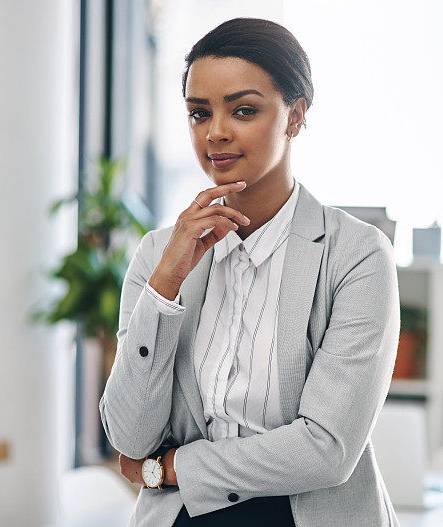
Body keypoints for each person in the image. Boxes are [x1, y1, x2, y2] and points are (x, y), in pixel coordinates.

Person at [99, 16, 401, 527]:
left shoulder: (356, 255)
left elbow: (326, 449)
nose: (216, 133)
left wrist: (172, 468)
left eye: (243, 110)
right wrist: (165, 287)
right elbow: (129, 436)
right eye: (199, 113)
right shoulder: (159, 256)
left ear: (295, 116)